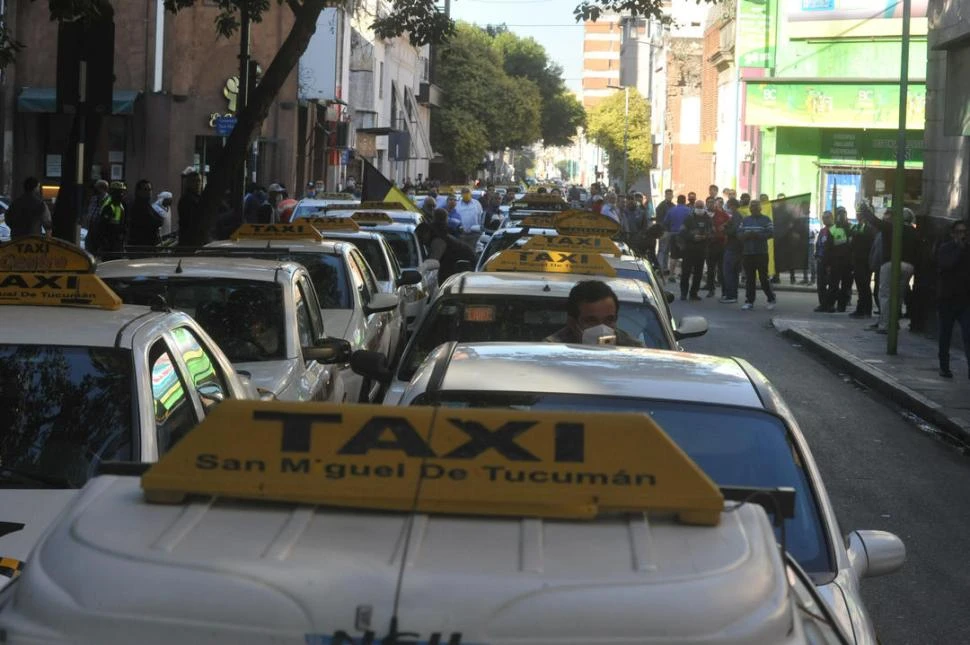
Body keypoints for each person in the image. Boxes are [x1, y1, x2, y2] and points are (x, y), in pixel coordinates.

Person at [859, 201, 918, 334]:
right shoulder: (914, 232)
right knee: (898, 296)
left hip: (891, 263)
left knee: (885, 295)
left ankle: (885, 325)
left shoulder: (892, 227)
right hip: (908, 266)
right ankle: (894, 322)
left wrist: (864, 209)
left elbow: (874, 221)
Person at [545, 280, 644, 347]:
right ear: (572, 323)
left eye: (609, 320)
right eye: (591, 321)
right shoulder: (551, 349)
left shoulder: (633, 350)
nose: (602, 328)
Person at [935, 220, 970, 378]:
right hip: (947, 299)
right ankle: (944, 366)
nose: (962, 235)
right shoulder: (946, 248)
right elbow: (946, 265)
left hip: (965, 300)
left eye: (964, 232)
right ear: (953, 234)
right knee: (945, 335)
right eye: (959, 232)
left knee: (968, 334)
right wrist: (959, 249)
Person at [417, 209, 475, 283]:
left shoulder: (438, 239)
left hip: (462, 269)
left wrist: (422, 267)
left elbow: (433, 261)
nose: (422, 241)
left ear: (426, 233)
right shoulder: (442, 232)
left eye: (421, 237)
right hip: (459, 267)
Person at [739, 199, 776, 310]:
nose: (753, 208)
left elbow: (771, 233)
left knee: (763, 278)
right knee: (750, 278)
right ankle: (749, 301)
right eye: (752, 206)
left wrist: (757, 235)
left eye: (756, 206)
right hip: (747, 253)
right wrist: (746, 235)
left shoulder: (766, 220)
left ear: (760, 208)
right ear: (750, 208)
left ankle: (771, 298)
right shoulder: (745, 220)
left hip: (761, 253)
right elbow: (739, 234)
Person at [678, 200, 713, 301]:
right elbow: (682, 232)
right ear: (694, 207)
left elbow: (711, 232)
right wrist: (692, 237)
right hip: (689, 249)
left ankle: (694, 293)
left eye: (701, 207)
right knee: (686, 272)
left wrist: (705, 237)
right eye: (698, 207)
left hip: (701, 250)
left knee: (698, 273)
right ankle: (683, 293)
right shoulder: (689, 218)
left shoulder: (708, 219)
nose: (699, 209)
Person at [821, 206, 853, 312]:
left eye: (843, 213)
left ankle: (841, 306)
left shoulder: (851, 228)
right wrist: (827, 264)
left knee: (845, 286)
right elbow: (828, 248)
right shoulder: (833, 229)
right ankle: (830, 305)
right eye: (839, 213)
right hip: (836, 262)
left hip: (847, 263)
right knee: (833, 285)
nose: (841, 216)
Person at [848, 210, 876, 318]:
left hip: (864, 261)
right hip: (858, 260)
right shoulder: (858, 227)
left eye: (859, 214)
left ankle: (864, 310)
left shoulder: (868, 228)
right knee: (862, 286)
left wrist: (855, 237)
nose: (857, 216)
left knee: (864, 285)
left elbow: (865, 242)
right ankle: (864, 309)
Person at [720, 198, 744, 304]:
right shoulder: (735, 216)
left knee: (729, 271)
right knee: (733, 272)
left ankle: (731, 295)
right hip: (734, 247)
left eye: (728, 205)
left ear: (733, 205)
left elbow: (734, 230)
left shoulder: (737, 216)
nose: (727, 207)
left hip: (733, 247)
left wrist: (724, 230)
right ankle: (732, 294)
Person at [126, 179, 163, 247]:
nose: (149, 192)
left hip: (149, 245)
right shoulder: (137, 205)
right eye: (145, 189)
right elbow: (153, 221)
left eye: (150, 189)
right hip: (140, 245)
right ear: (138, 191)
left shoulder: (147, 204)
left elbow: (159, 219)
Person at [663, 194, 691, 282]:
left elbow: (665, 222)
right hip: (685, 236)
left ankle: (671, 275)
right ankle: (683, 274)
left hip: (673, 234)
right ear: (685, 201)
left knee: (673, 256)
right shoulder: (689, 210)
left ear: (677, 201)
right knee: (685, 256)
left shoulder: (671, 210)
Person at [705, 197, 730, 298]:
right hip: (709, 245)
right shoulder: (704, 215)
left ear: (715, 203)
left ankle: (724, 291)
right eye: (708, 202)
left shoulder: (721, 214)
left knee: (722, 269)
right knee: (710, 269)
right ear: (706, 203)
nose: (710, 204)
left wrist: (724, 226)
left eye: (712, 202)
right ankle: (711, 289)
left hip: (721, 245)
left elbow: (730, 221)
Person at [95, 181, 128, 255]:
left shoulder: (120, 205)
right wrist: (105, 243)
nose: (121, 194)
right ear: (112, 192)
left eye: (122, 192)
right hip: (109, 245)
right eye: (118, 192)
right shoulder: (108, 206)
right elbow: (102, 227)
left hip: (117, 243)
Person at [178, 169, 206, 247]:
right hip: (190, 241)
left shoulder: (198, 198)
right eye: (194, 181)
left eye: (199, 181)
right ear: (189, 183)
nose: (197, 183)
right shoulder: (186, 200)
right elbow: (190, 222)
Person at [814, 211, 833, 310]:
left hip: (830, 261)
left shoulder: (835, 230)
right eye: (823, 218)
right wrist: (817, 255)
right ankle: (822, 304)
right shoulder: (822, 231)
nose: (825, 220)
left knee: (831, 283)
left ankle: (830, 304)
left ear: (831, 218)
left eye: (827, 217)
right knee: (821, 283)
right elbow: (818, 244)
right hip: (821, 260)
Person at [655, 189, 675, 275]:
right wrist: (661, 230)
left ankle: (665, 268)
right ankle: (659, 267)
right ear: (665, 195)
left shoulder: (673, 206)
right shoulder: (661, 206)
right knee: (662, 250)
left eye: (671, 194)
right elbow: (659, 219)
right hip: (663, 231)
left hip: (670, 231)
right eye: (668, 194)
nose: (669, 196)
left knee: (667, 251)